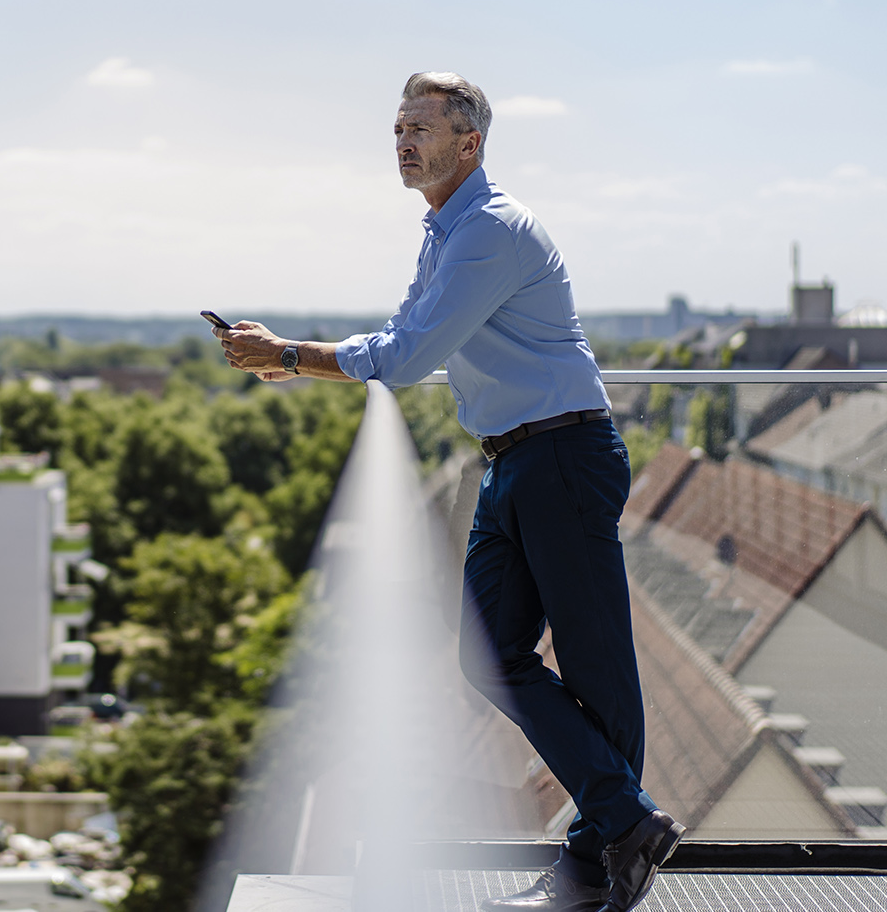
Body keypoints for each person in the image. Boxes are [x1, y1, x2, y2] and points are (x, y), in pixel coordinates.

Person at [216, 72, 682, 912]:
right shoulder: (444, 233)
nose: (402, 140)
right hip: (511, 460)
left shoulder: (490, 232)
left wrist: (289, 354)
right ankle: (625, 822)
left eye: (419, 126)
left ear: (469, 142)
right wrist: (294, 354)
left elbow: (404, 358)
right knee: (486, 650)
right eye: (396, 126)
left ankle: (598, 852)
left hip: (565, 454)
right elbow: (400, 334)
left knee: (595, 665)